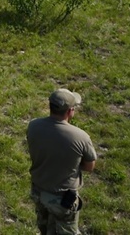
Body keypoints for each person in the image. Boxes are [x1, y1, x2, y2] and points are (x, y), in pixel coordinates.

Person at [26, 89, 97, 235]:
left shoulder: (33, 126)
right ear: (70, 111)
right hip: (62, 199)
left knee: (44, 227)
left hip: (38, 190)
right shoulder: (80, 137)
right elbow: (90, 166)